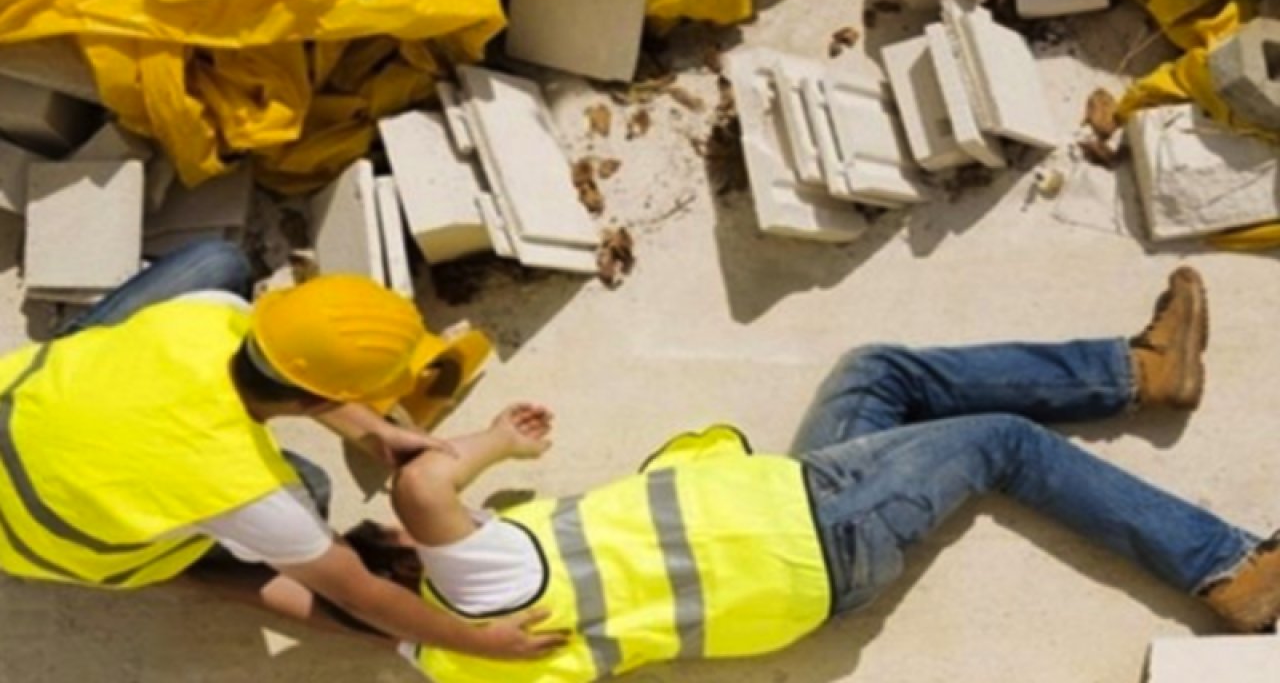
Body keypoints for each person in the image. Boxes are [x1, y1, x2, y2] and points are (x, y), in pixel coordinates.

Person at [314, 266, 1280, 682]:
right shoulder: (482, 583)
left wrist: (227, 565)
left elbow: (307, 601)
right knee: (1001, 442)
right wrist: (494, 440)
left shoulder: (445, 661)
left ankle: (1141, 372)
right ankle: (1226, 568)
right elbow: (423, 489)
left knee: (877, 373)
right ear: (408, 562)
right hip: (809, 529)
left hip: (790, 547)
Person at [0, 239, 564, 660]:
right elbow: (362, 595)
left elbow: (293, 374)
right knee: (312, 492)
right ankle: (176, 569)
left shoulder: (203, 314)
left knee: (219, 260)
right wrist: (479, 642)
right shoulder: (249, 490)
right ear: (321, 399)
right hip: (43, 542)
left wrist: (377, 433)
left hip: (29, 408)